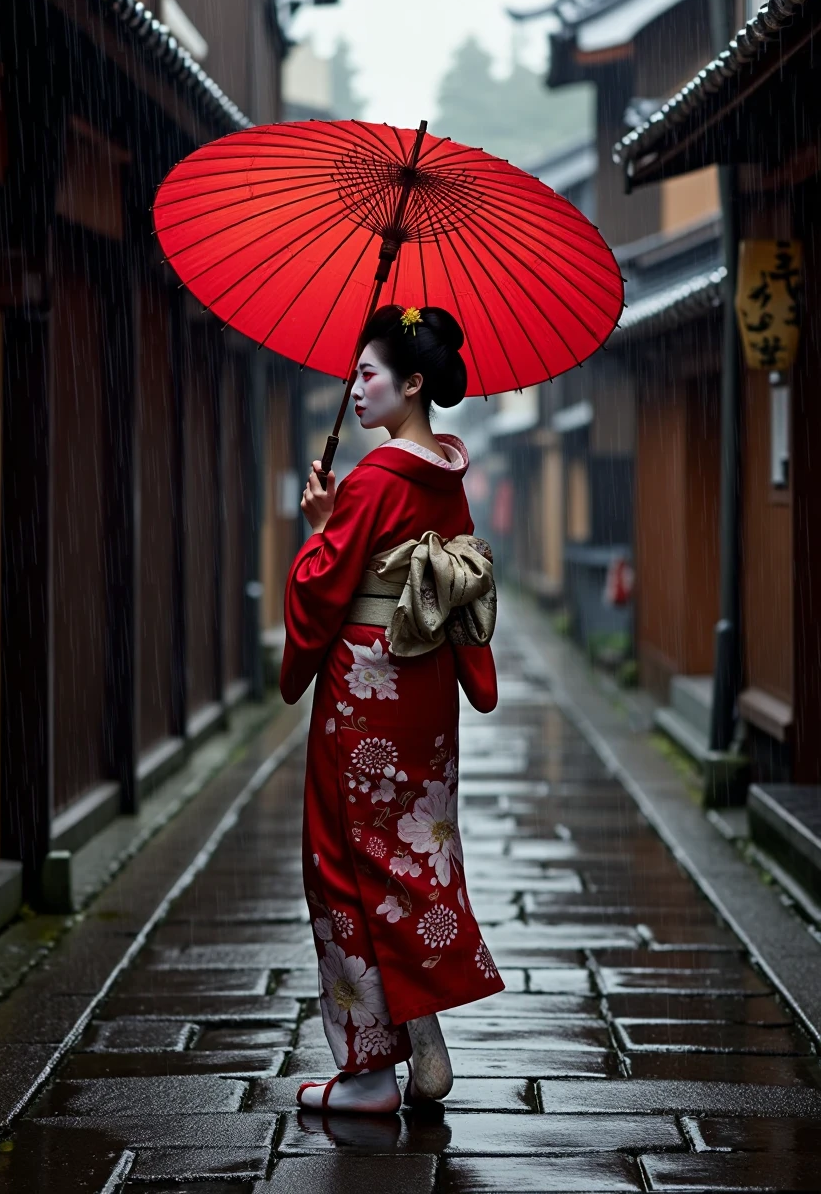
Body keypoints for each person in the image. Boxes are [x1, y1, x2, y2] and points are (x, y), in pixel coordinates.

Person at [281, 304, 503, 1114]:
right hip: (425, 687)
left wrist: (319, 528)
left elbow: (321, 589)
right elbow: (462, 582)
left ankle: (371, 1072)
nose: (356, 387)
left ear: (411, 384)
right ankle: (427, 1037)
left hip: (366, 683)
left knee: (341, 859)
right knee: (414, 854)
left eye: (367, 373)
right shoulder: (446, 476)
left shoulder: (374, 480)